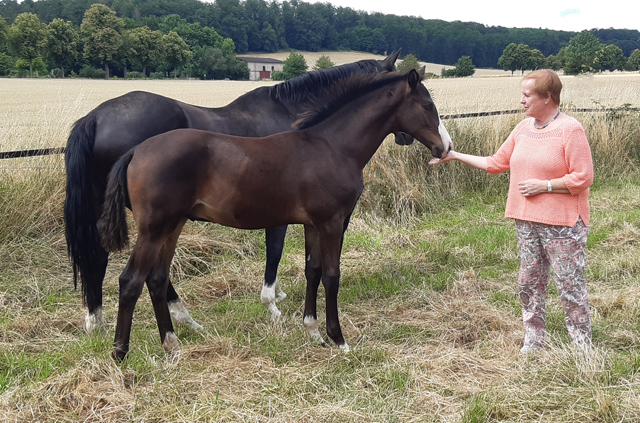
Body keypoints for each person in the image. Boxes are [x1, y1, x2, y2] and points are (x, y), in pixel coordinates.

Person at [430, 69, 593, 353]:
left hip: (563, 224)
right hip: (526, 221)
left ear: (548, 97)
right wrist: (454, 155)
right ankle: (533, 339)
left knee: (569, 284)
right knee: (529, 282)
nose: (522, 101)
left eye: (527, 95)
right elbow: (495, 163)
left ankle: (581, 344)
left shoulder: (570, 129)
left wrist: (545, 185)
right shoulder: (522, 129)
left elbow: (583, 177)